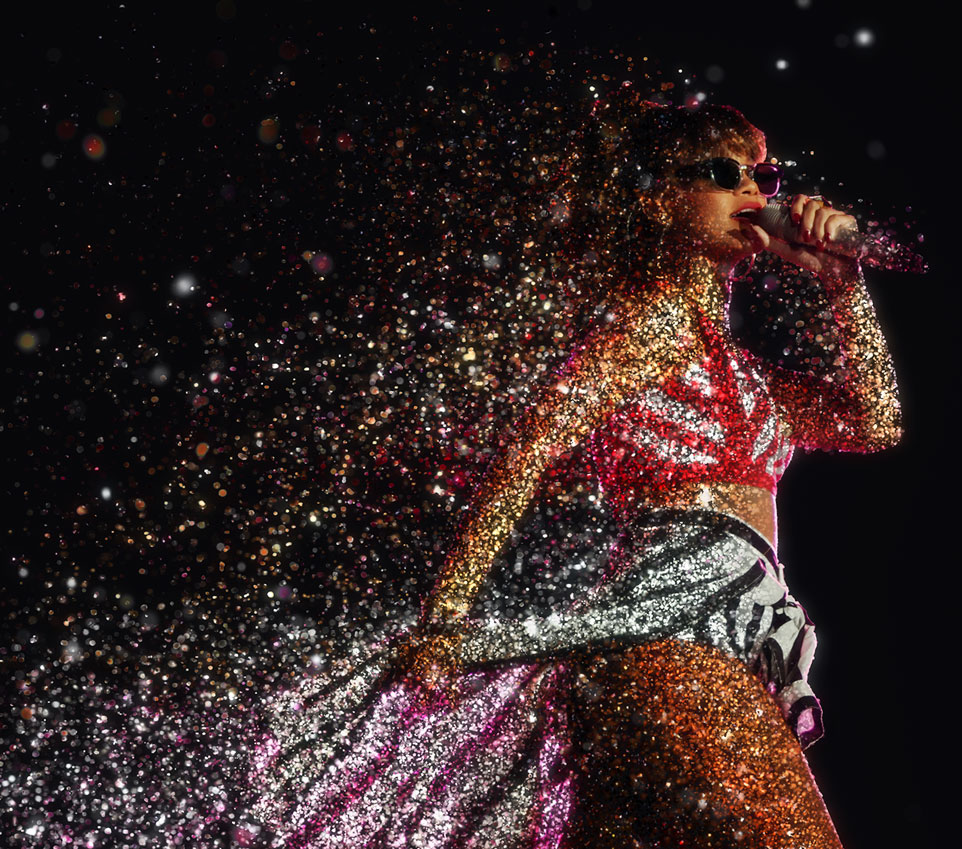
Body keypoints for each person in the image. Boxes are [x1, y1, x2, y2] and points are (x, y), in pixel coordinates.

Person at [251, 86, 902, 849]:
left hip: (693, 653)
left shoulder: (744, 373)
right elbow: (522, 460)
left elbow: (874, 422)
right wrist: (445, 618)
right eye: (724, 174)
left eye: (765, 176)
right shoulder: (646, 329)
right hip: (669, 644)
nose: (755, 192)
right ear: (660, 200)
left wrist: (840, 282)